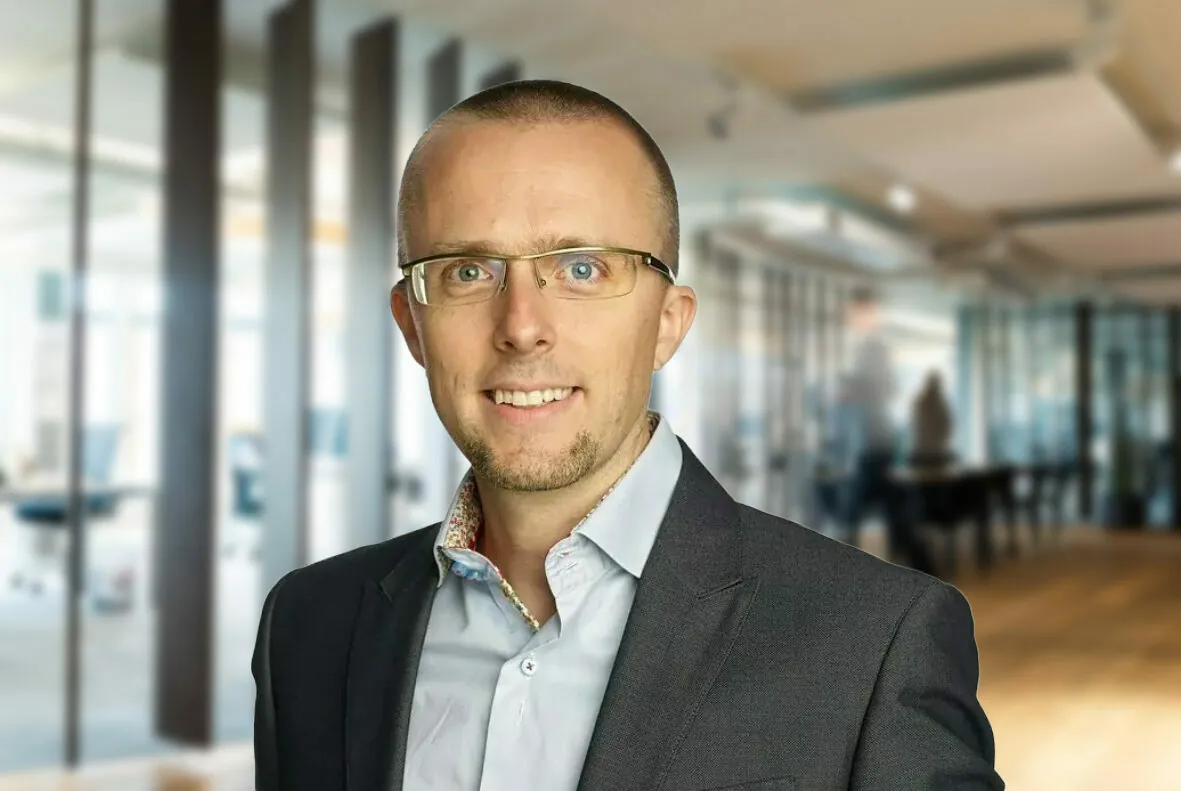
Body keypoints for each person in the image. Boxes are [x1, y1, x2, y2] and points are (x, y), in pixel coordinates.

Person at [251, 79, 1002, 791]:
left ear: (668, 322)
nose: (521, 328)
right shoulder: (309, 627)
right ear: (412, 323)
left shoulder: (872, 642)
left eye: (580, 267)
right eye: (467, 272)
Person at [911, 369, 955, 468]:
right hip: (930, 452)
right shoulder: (938, 403)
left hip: (930, 452)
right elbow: (947, 426)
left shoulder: (922, 401)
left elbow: (947, 426)